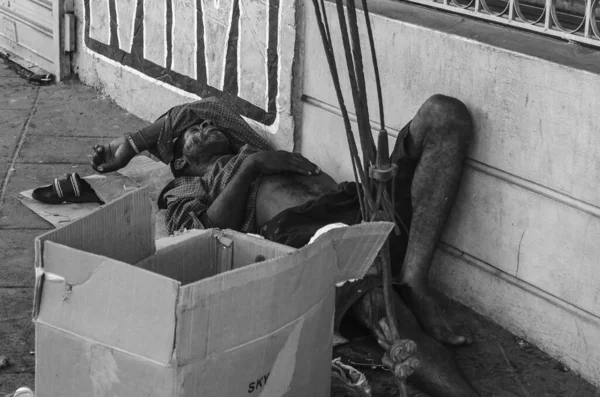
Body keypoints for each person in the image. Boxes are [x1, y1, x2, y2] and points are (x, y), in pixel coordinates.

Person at [91, 96, 479, 397]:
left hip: (362, 201)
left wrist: (131, 142)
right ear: (179, 163)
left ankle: (414, 279)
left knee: (444, 114)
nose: (206, 124)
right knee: (393, 323)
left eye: (208, 125)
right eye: (193, 133)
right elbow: (205, 235)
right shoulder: (186, 187)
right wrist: (253, 167)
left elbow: (202, 108)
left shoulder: (246, 145)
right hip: (308, 236)